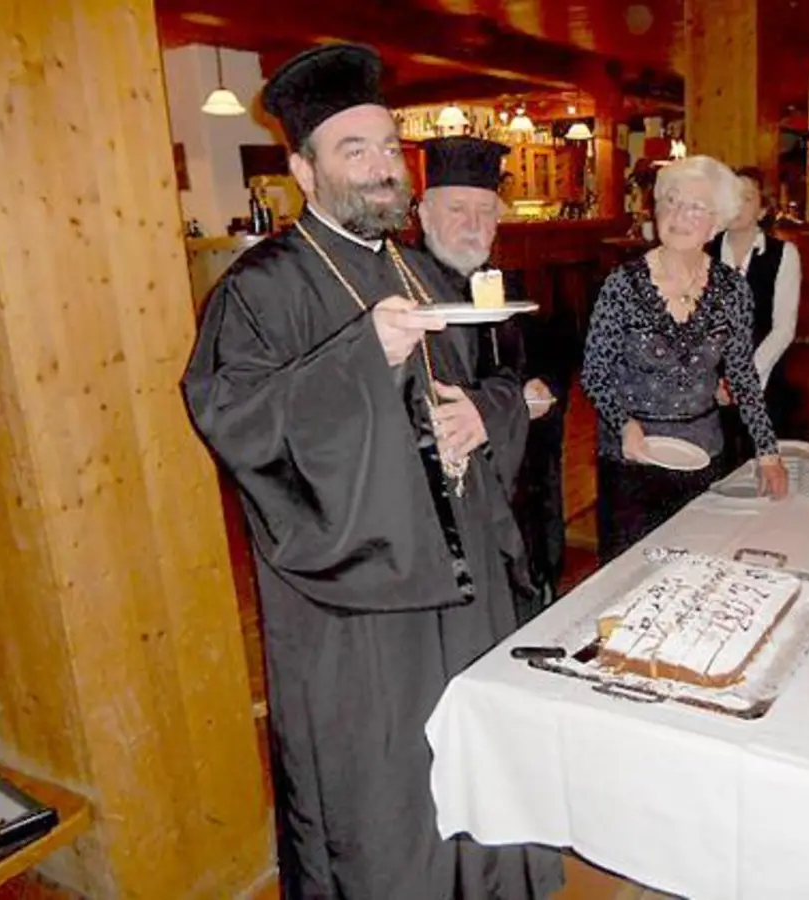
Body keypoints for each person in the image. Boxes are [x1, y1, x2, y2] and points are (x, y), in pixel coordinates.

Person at [180, 45, 561, 900]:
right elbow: (237, 421)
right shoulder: (260, 290)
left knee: (474, 766)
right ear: (303, 170)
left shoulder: (418, 269)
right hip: (355, 602)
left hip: (462, 584)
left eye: (389, 148)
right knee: (384, 802)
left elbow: (494, 385)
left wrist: (481, 416)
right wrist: (363, 357)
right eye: (354, 150)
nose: (382, 167)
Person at [581, 155, 789, 561]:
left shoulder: (732, 291)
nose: (679, 215)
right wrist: (624, 425)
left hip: (702, 456)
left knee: (696, 565)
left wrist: (768, 452)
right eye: (671, 202)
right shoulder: (622, 285)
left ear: (716, 223)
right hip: (632, 459)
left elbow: (743, 376)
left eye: (695, 206)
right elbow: (594, 373)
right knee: (628, 576)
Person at [416, 135, 568, 622]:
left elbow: (552, 359)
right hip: (453, 509)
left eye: (485, 211)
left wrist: (547, 386)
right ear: (423, 215)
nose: (472, 225)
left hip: (523, 488)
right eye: (457, 209)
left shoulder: (511, 286)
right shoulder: (402, 292)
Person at [707, 166, 802, 464]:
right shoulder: (703, 253)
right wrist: (713, 381)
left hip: (765, 383)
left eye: (746, 198)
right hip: (711, 388)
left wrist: (742, 379)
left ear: (762, 210)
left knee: (759, 473)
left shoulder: (783, 254)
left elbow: (783, 329)